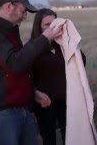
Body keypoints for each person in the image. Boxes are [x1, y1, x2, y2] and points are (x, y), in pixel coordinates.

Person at [0, 0, 63, 145]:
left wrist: (33, 92)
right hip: (3, 114)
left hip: (22, 109)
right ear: (10, 6)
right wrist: (44, 38)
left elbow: (14, 72)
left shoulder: (9, 29)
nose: (25, 16)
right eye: (23, 10)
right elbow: (15, 63)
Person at [31, 8, 86, 145]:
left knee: (71, 137)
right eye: (47, 25)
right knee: (49, 139)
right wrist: (35, 94)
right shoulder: (33, 48)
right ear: (39, 26)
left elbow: (81, 62)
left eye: (54, 24)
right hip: (45, 101)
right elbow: (26, 77)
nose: (52, 28)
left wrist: (70, 41)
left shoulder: (63, 44)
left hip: (66, 99)